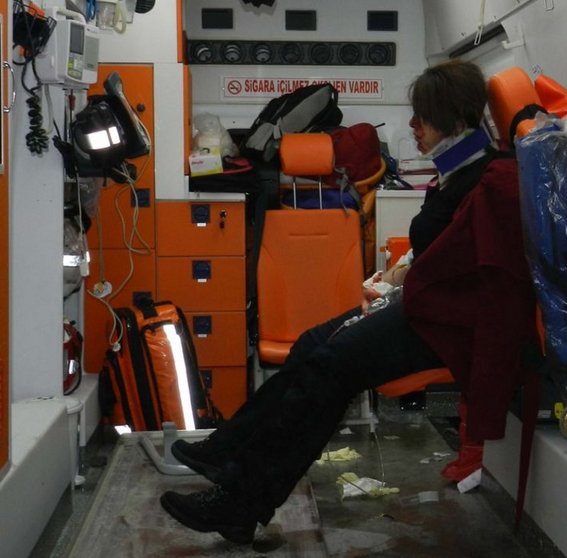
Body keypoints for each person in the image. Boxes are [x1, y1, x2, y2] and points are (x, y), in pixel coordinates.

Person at [160, 59, 537, 544]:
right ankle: (226, 451)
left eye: (423, 117)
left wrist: (398, 285)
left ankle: (239, 501)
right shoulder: (459, 170)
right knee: (311, 345)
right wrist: (394, 281)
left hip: (445, 324)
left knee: (330, 365)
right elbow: (442, 255)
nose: (413, 126)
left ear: (455, 120)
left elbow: (480, 280)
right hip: (423, 305)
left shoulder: (487, 179)